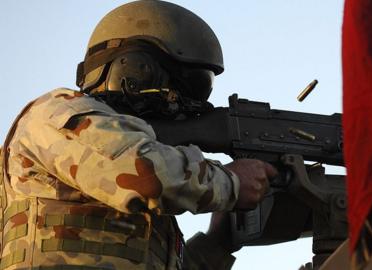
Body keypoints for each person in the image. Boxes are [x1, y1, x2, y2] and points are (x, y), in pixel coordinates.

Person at [0, 1, 276, 269]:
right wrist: (231, 182)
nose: (193, 104)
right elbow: (144, 174)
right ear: (135, 72)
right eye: (190, 86)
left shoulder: (136, 205)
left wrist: (218, 243)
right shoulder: (55, 114)